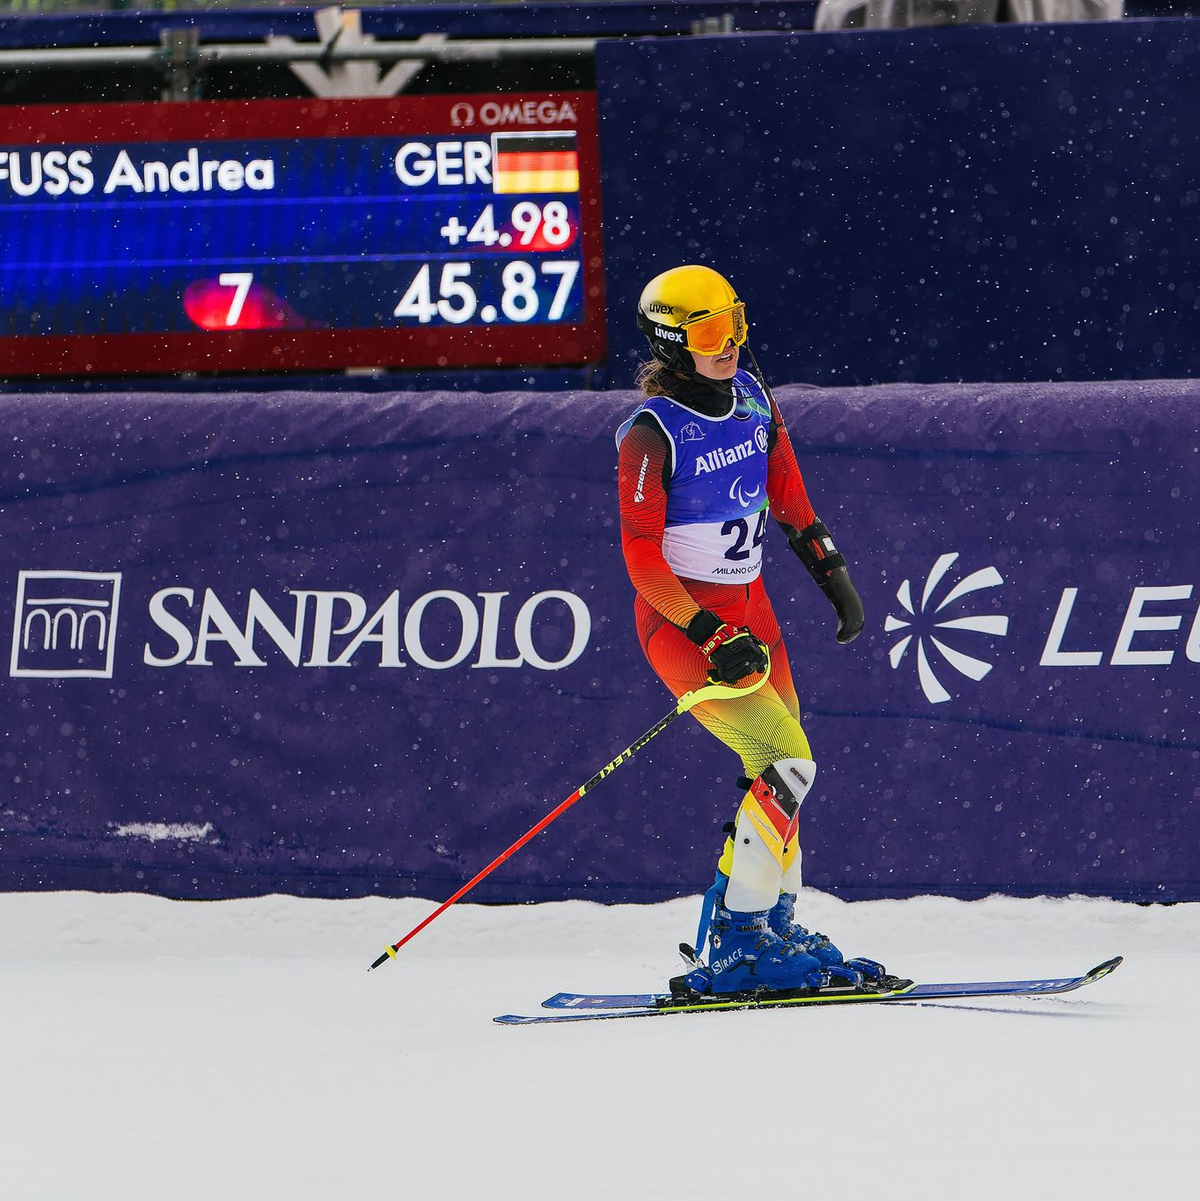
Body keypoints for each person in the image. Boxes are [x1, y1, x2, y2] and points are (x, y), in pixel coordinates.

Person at [615, 264, 896, 998]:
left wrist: (834, 579)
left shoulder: (752, 398)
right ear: (672, 343)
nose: (728, 343)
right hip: (684, 625)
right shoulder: (651, 433)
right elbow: (641, 558)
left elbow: (792, 499)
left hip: (754, 617)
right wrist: (705, 629)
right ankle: (740, 943)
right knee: (786, 757)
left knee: (781, 774)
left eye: (735, 322)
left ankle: (771, 923)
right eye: (709, 332)